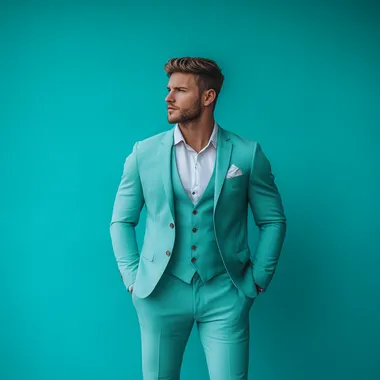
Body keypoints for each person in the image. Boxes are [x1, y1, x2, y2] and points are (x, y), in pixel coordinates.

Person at [110, 56, 287, 380]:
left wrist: (257, 279)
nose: (168, 97)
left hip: (225, 292)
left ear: (208, 97)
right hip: (159, 293)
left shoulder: (247, 154)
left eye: (180, 90)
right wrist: (133, 280)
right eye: (168, 89)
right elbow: (121, 221)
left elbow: (273, 220)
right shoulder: (144, 153)